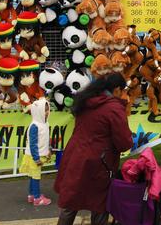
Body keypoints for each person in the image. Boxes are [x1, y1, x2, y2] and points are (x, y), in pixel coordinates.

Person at [54, 73, 133, 225]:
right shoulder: (113, 108)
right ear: (117, 89)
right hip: (99, 163)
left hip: (75, 156)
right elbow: (124, 142)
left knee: (70, 202)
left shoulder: (86, 100)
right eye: (123, 90)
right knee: (99, 205)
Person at [19, 98, 52, 206]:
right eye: (44, 110)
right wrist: (36, 158)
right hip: (34, 156)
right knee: (35, 177)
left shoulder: (45, 124)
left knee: (33, 176)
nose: (47, 112)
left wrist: (49, 149)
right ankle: (37, 198)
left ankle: (31, 195)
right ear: (38, 112)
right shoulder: (34, 126)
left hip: (40, 154)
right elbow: (32, 144)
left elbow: (46, 139)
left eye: (48, 110)